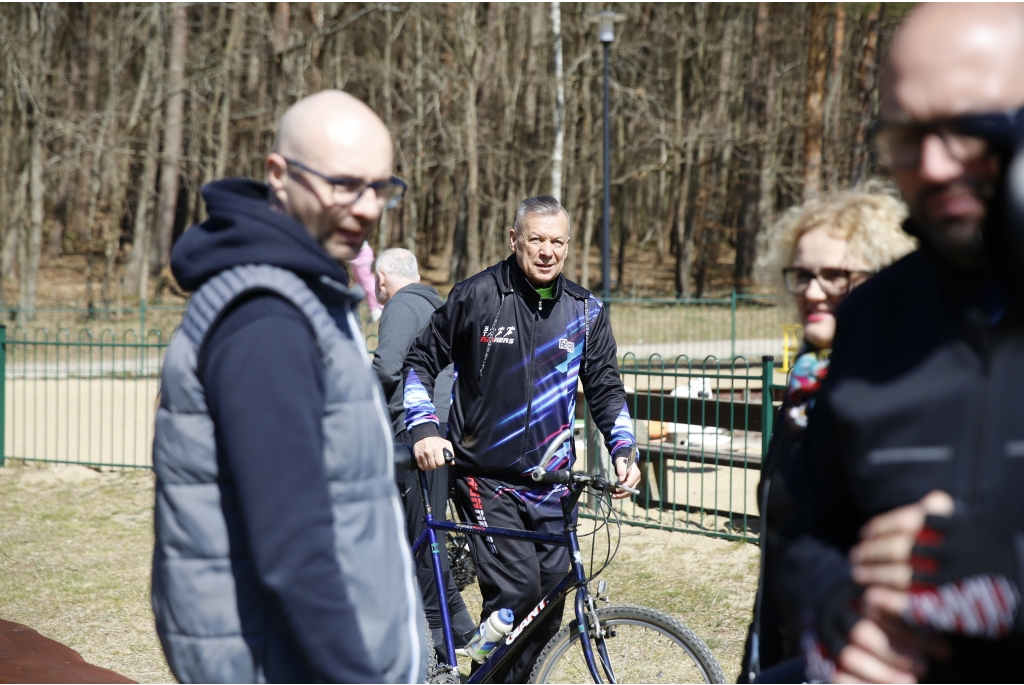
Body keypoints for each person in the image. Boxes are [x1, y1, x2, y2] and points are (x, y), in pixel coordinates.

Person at [776, 3, 1024, 682]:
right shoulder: (873, 317)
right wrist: (833, 608)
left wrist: (1009, 569)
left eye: (967, 129)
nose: (936, 165)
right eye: (908, 136)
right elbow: (805, 532)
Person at [150, 90, 425, 683]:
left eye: (380, 187)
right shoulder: (266, 319)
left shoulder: (303, 294)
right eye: (345, 184)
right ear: (279, 175)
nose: (367, 208)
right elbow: (293, 547)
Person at [402, 195, 641, 683]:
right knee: (518, 591)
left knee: (551, 603)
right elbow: (419, 363)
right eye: (536, 239)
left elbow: (606, 388)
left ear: (569, 246)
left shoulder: (586, 311)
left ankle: (487, 670)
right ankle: (484, 668)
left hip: (554, 486)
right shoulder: (477, 295)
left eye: (557, 241)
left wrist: (624, 448)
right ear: (514, 240)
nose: (547, 251)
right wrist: (425, 428)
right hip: (486, 478)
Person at [740, 189, 917, 681]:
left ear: (886, 279)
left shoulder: (906, 388)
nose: (814, 291)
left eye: (837, 275)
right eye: (803, 274)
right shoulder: (806, 386)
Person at [370, 247, 478, 659]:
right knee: (428, 536)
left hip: (418, 435)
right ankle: (463, 631)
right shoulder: (439, 306)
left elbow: (386, 368)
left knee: (422, 537)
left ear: (382, 279)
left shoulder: (400, 307)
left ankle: (438, 643)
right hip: (450, 429)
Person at [350, 240, 384, 322]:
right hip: (356, 254)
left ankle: (378, 308)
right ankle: (376, 308)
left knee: (367, 285)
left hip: (362, 254)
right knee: (361, 284)